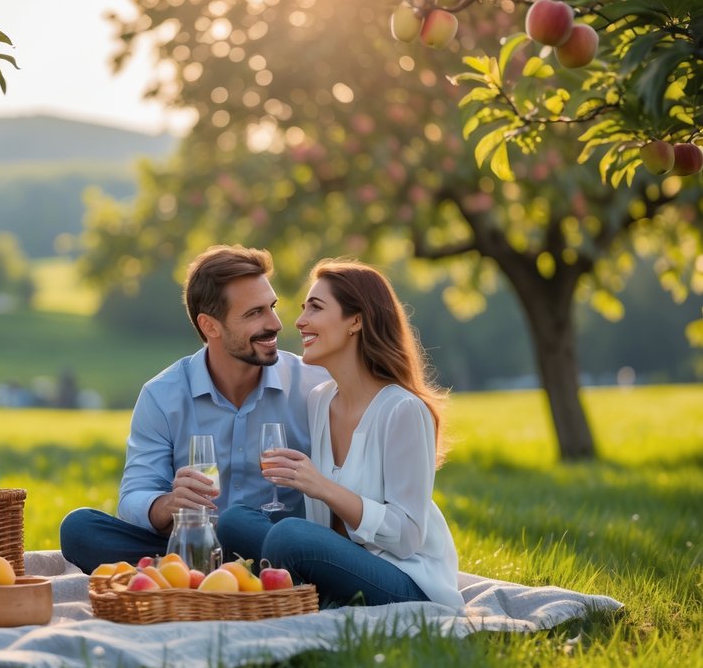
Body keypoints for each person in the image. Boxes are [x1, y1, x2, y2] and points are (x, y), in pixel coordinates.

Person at [58, 245, 330, 573]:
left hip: (274, 544)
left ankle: (190, 576)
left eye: (271, 307)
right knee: (80, 529)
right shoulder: (162, 396)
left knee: (239, 524)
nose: (275, 323)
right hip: (192, 543)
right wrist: (167, 505)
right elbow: (134, 495)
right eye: (254, 313)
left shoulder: (314, 386)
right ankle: (216, 574)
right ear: (210, 326)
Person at [217, 259, 463, 609]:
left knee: (290, 537)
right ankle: (307, 592)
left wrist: (322, 487)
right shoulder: (321, 401)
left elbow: (407, 536)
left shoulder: (403, 410)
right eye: (303, 309)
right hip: (343, 563)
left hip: (405, 579)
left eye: (315, 308)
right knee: (234, 521)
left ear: (357, 321)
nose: (300, 321)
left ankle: (299, 595)